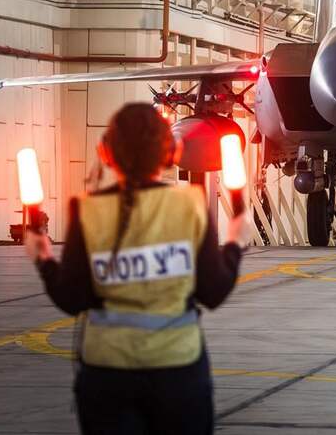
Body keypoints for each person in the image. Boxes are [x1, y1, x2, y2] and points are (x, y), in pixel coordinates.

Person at [23, 103, 248, 434]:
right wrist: (234, 244)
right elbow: (212, 292)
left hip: (106, 375)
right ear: (174, 151)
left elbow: (71, 299)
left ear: (106, 152)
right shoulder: (191, 204)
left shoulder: (87, 211)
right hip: (178, 372)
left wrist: (42, 258)